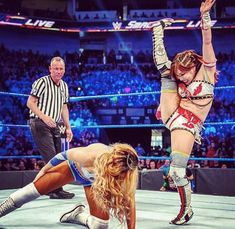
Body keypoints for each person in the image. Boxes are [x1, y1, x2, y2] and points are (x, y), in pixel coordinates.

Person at [151, 0, 217, 225]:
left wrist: (204, 16)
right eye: (178, 73)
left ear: (193, 67)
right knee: (164, 70)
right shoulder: (178, 76)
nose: (182, 77)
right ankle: (157, 30)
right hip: (175, 112)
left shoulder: (208, 69)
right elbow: (175, 78)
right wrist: (164, 103)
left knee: (177, 172)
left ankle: (186, 209)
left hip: (188, 122)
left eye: (184, 73)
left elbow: (207, 40)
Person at [0, 142, 139, 229]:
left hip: (94, 183)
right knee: (28, 192)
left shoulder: (127, 174)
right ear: (112, 166)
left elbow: (130, 204)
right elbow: (63, 155)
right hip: (73, 168)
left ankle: (77, 215)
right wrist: (44, 170)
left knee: (100, 226)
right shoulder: (89, 156)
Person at [27, 56, 74, 199]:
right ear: (50, 69)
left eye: (61, 69)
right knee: (51, 158)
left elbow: (64, 108)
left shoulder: (64, 86)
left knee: (59, 157)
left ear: (64, 70)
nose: (58, 71)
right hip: (40, 123)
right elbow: (30, 103)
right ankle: (55, 190)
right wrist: (44, 117)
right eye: (56, 69)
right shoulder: (42, 82)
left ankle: (54, 188)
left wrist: (68, 127)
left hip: (55, 124)